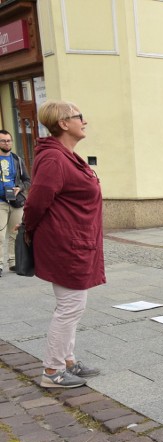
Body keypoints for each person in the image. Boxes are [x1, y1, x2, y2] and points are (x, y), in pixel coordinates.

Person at [23, 101, 102, 388]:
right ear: (64, 123)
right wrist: (29, 230)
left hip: (73, 240)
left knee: (73, 306)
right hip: (65, 243)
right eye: (79, 116)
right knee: (70, 306)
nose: (85, 121)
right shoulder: (55, 159)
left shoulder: (65, 156)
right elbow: (36, 201)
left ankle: (67, 360)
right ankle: (52, 371)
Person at [0, 130, 30, 277]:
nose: (7, 143)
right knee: (0, 235)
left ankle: (13, 262)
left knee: (14, 233)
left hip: (16, 201)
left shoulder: (17, 159)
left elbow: (27, 180)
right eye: (3, 141)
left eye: (9, 140)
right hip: (0, 202)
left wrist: (20, 188)